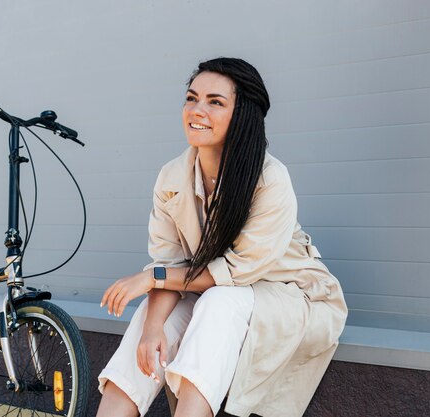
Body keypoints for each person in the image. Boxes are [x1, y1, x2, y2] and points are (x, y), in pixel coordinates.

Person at [96, 57, 347, 417]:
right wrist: (153, 329)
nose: (197, 110)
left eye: (215, 101)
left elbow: (232, 274)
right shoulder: (172, 177)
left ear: (241, 114)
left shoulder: (269, 178)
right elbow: (169, 265)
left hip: (290, 294)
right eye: (191, 97)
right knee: (150, 320)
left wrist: (152, 277)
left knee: (219, 301)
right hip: (214, 290)